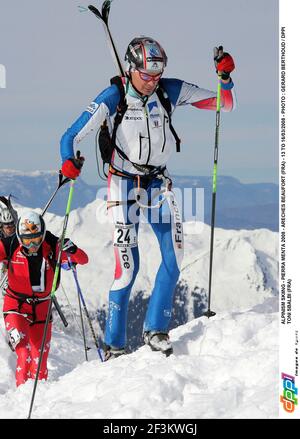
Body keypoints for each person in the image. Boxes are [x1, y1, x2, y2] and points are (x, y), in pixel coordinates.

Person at [59, 37, 236, 360]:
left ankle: (156, 330)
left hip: (157, 184)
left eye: (158, 72)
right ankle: (114, 345)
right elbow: (70, 135)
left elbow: (225, 104)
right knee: (128, 268)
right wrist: (68, 161)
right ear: (132, 67)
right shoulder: (113, 96)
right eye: (147, 74)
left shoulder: (169, 90)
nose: (153, 80)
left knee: (174, 257)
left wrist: (225, 79)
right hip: (123, 186)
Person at [0, 210, 88, 386]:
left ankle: (40, 400)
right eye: (26, 240)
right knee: (23, 352)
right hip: (15, 306)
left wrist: (73, 250)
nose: (32, 244)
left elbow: (83, 259)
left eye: (36, 239)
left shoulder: (52, 244)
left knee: (39, 359)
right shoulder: (10, 244)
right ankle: (21, 398)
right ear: (19, 236)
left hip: (42, 310)